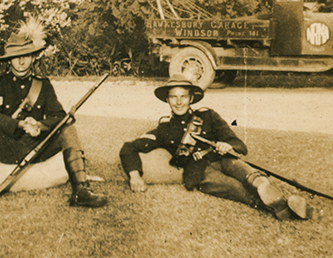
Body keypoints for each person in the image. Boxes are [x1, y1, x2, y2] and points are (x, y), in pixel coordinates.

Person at [0, 20, 108, 215]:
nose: (21, 61)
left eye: (26, 56)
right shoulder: (0, 82)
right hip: (7, 146)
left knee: (68, 128)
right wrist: (18, 124)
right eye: (16, 57)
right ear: (8, 60)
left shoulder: (43, 84)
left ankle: (81, 191)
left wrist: (41, 126)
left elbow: (60, 116)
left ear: (33, 58)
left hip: (36, 145)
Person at [118, 75, 307, 221]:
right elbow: (128, 148)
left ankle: (262, 185)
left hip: (222, 159)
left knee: (241, 169)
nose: (178, 102)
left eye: (183, 96)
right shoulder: (164, 128)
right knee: (235, 188)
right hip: (200, 172)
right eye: (173, 97)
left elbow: (238, 145)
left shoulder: (207, 116)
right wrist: (134, 175)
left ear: (191, 98)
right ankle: (280, 205)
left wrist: (227, 145)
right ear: (167, 100)